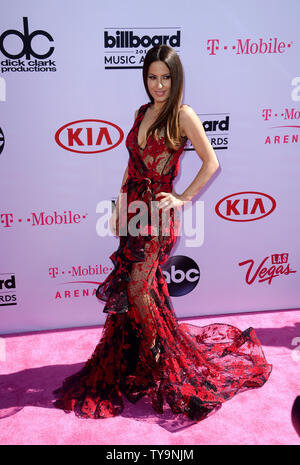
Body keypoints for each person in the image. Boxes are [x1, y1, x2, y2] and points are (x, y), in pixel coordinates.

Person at [53, 45, 272, 421]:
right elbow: (131, 164)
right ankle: (141, 358)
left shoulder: (183, 115)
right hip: (133, 210)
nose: (158, 85)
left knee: (138, 288)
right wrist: (119, 206)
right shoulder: (141, 112)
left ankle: (162, 365)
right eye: (152, 77)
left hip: (157, 215)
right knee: (138, 291)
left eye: (165, 77)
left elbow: (212, 161)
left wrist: (183, 198)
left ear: (176, 78)